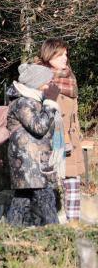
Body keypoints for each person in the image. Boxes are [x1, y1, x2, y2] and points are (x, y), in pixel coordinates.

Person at [5, 63, 63, 226]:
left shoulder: (33, 101)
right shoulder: (23, 102)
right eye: (47, 82)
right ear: (37, 83)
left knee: (21, 202)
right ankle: (58, 239)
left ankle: (9, 236)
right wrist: (50, 103)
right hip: (29, 164)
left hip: (32, 162)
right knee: (46, 200)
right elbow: (39, 127)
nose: (50, 85)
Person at [37, 39, 84, 223]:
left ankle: (74, 225)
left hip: (69, 139)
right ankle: (47, 225)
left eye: (66, 54)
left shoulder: (70, 78)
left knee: (72, 182)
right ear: (50, 55)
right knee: (46, 182)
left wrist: (76, 134)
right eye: (61, 54)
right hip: (48, 138)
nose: (66, 58)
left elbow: (74, 113)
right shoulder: (39, 78)